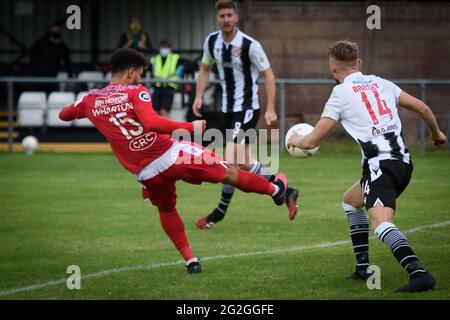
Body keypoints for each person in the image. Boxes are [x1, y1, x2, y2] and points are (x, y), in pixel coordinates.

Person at [59, 48, 291, 274]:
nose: (140, 78)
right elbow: (151, 123)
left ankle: (190, 260)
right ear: (131, 71)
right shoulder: (135, 92)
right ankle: (275, 191)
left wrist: (87, 108)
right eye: (140, 72)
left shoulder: (91, 100)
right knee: (228, 171)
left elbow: (64, 115)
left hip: (145, 172)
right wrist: (190, 127)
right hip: (171, 154)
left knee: (167, 208)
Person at [288, 40, 447, 292]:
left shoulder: (340, 94)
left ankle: (418, 273)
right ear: (358, 63)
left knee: (382, 224)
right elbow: (424, 108)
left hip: (381, 167)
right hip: (403, 163)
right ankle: (363, 268)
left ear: (333, 69)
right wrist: (437, 134)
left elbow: (314, 139)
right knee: (350, 201)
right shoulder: (383, 83)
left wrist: (296, 140)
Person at [192, 0, 299, 229]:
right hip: (227, 110)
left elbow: (268, 75)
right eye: (222, 16)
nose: (226, 19)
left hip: (248, 108)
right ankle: (286, 191)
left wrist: (270, 108)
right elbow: (204, 68)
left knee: (229, 160)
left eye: (230, 15)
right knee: (244, 162)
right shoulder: (212, 41)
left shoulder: (250, 45)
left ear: (236, 17)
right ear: (217, 18)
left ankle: (219, 212)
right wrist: (198, 95)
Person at [149, 40, 183, 118]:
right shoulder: (154, 59)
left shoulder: (176, 58)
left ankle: (165, 130)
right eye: (162, 47)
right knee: (155, 111)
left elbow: (187, 67)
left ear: (170, 48)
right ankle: (156, 130)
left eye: (166, 47)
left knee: (164, 111)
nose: (164, 49)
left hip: (169, 87)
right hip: (157, 87)